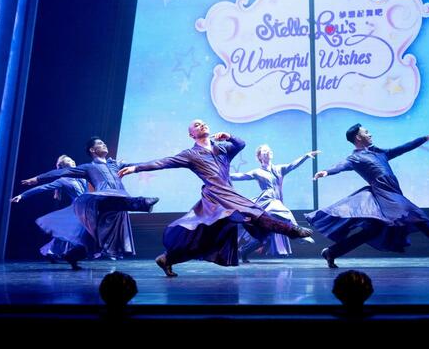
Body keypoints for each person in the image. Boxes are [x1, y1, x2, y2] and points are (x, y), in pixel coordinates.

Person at [117, 119, 313, 277]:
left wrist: (229, 136)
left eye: (203, 123)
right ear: (191, 135)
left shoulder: (223, 148)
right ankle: (292, 230)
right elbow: (164, 162)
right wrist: (136, 168)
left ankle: (167, 259)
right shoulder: (190, 154)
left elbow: (241, 144)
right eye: (197, 125)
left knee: (209, 237)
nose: (202, 125)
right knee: (252, 213)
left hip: (228, 193)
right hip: (214, 197)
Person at [307, 123, 429, 268]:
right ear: (358, 137)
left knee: (372, 231)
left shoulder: (380, 153)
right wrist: (326, 171)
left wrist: (425, 138)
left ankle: (332, 252)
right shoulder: (355, 158)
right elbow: (341, 165)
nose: (370, 134)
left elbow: (403, 148)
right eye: (366, 132)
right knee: (420, 217)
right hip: (384, 195)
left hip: (392, 192)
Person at [21, 137, 159, 260]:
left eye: (104, 143)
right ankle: (141, 202)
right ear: (92, 150)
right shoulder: (85, 169)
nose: (104, 144)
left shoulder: (112, 166)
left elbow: (138, 166)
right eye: (100, 143)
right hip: (95, 203)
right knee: (90, 229)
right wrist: (37, 179)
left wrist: (161, 163)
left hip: (110, 203)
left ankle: (72, 255)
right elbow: (59, 174)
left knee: (91, 238)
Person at [231, 144, 318, 262]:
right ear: (260, 157)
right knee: (285, 212)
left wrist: (305, 156)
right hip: (267, 201)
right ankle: (299, 233)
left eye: (269, 150)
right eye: (264, 151)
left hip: (276, 201)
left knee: (266, 236)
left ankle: (244, 251)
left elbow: (292, 165)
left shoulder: (279, 169)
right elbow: (241, 176)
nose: (267, 152)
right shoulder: (257, 172)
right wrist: (223, 175)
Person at [12, 155, 89, 270]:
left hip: (87, 207)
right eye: (68, 161)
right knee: (75, 233)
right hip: (76, 209)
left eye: (72, 159)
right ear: (63, 166)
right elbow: (42, 188)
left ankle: (51, 251)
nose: (72, 161)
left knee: (70, 233)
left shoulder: (82, 176)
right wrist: (22, 195)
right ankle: (70, 256)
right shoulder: (62, 181)